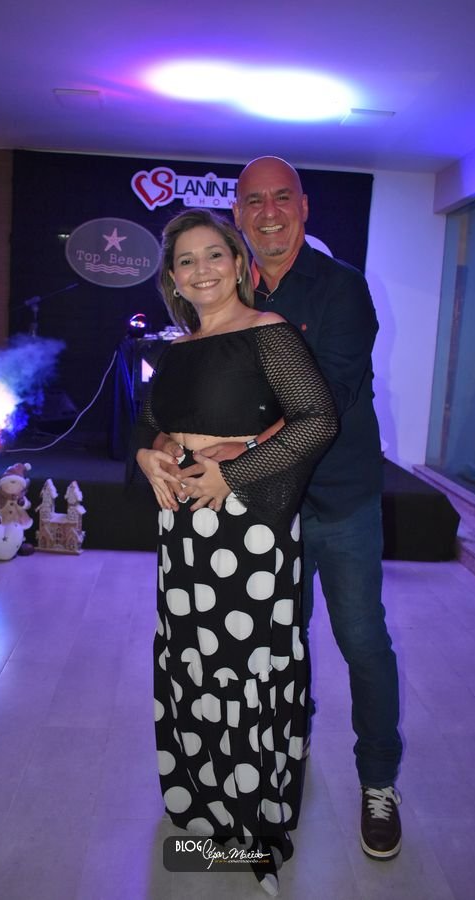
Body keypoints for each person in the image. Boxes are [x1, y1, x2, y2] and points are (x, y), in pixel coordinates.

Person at [175, 157, 404, 860]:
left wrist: (238, 448)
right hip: (259, 510)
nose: (268, 213)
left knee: (360, 639)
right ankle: (282, 754)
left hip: (336, 499)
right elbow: (191, 387)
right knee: (276, 645)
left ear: (304, 207)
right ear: (237, 214)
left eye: (282, 198)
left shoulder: (340, 288)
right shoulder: (230, 287)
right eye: (253, 201)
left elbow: (324, 400)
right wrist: (164, 445)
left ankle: (378, 781)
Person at [136, 208, 338, 895]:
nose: (202, 270)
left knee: (244, 671)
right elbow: (155, 424)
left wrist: (235, 471)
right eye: (186, 261)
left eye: (214, 255)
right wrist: (150, 453)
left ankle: (254, 831)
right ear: (173, 278)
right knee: (192, 664)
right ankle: (202, 812)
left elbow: (317, 421)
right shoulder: (177, 348)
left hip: (248, 530)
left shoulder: (267, 332)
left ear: (239, 264)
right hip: (184, 533)